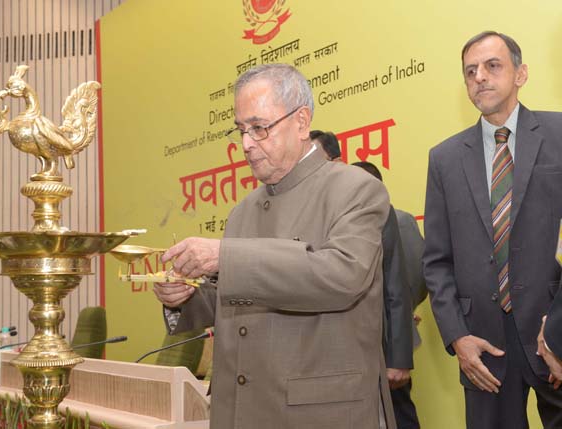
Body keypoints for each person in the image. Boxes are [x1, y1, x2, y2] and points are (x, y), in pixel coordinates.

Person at [153, 63, 395, 429]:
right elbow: (233, 302)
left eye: (259, 128)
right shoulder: (242, 211)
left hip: (319, 414)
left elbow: (343, 276)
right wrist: (182, 297)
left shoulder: (355, 189)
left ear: (301, 122)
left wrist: (224, 257)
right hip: (241, 411)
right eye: (241, 131)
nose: (247, 144)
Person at [423, 31, 562, 428]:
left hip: (553, 332)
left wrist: (559, 331)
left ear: (521, 74)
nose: (480, 77)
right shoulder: (444, 159)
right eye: (470, 71)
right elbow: (436, 261)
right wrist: (457, 338)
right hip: (483, 346)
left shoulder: (559, 134)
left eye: (492, 66)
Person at [353, 161, 421, 429]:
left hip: (391, 340)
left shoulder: (399, 220)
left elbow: (414, 275)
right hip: (358, 344)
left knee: (399, 413)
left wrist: (402, 316)